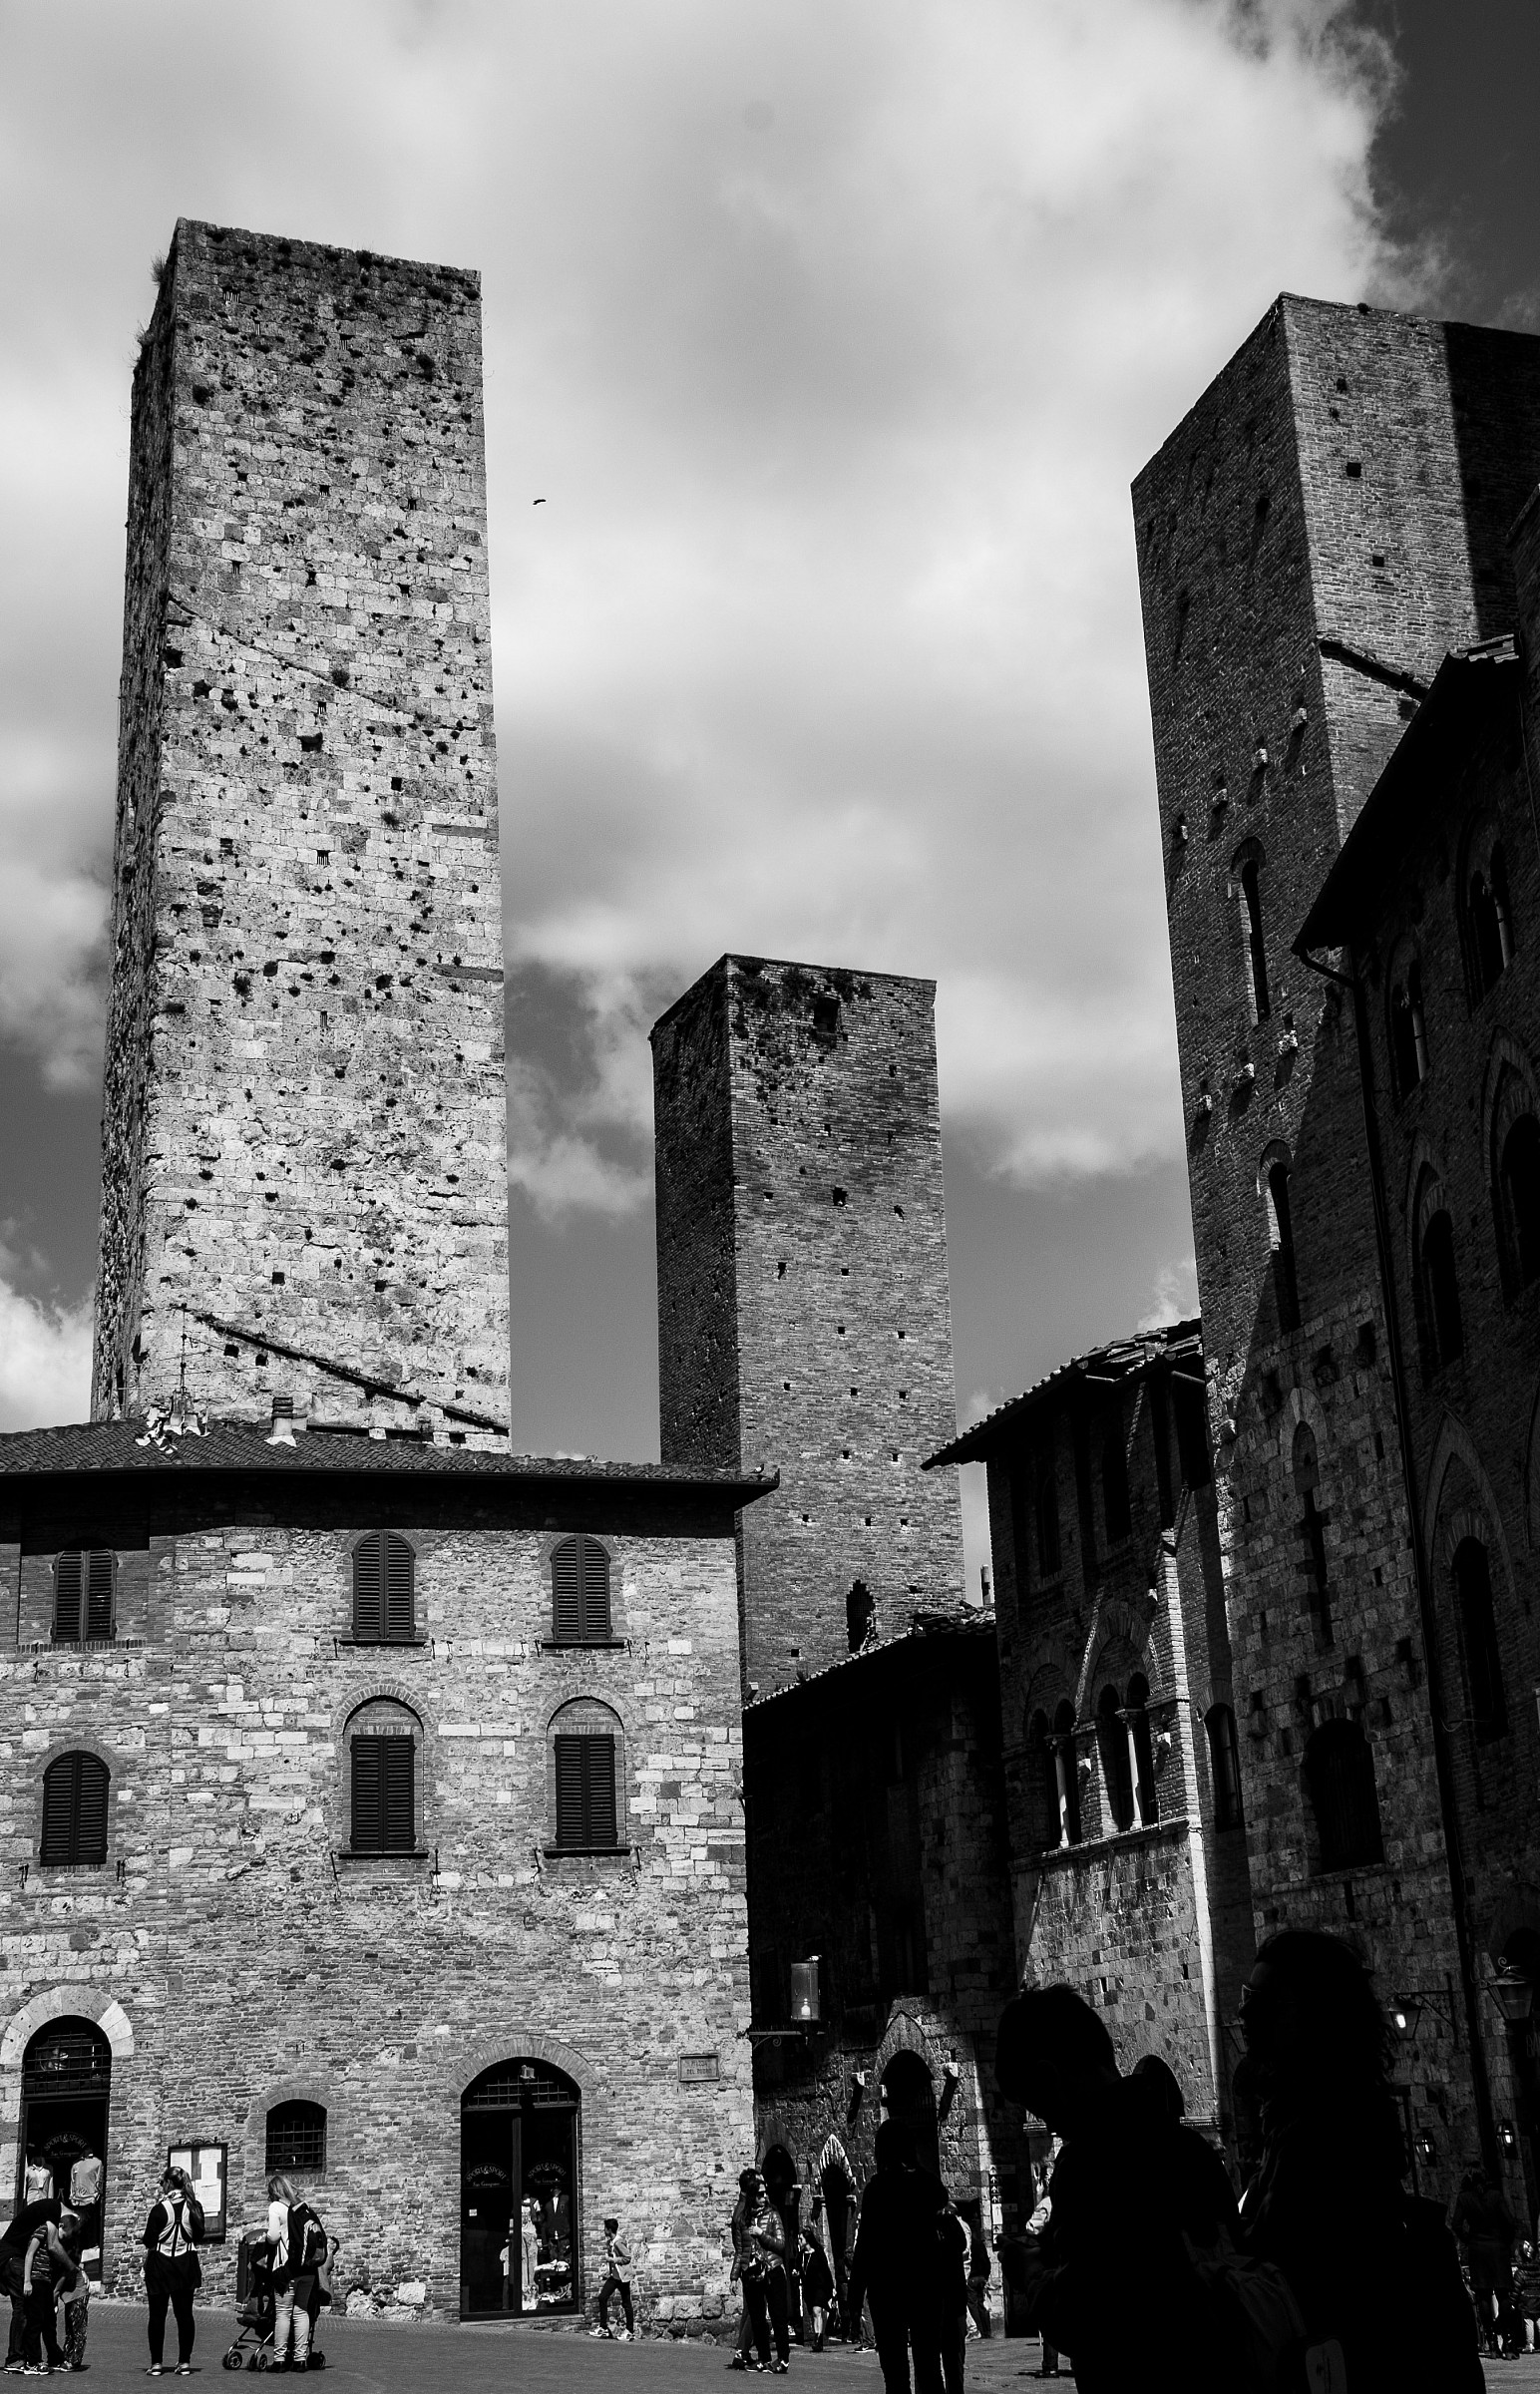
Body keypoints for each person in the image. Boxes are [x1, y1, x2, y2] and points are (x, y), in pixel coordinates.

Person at [1240, 1929, 1481, 2394]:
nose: (1245, 2013)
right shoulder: (1295, 2111)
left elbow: (1298, 2259)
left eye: (1265, 2002)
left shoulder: (1330, 2121)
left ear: (1316, 2015)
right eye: (1249, 1996)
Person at [993, 1983, 1229, 2394]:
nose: (1048, 2125)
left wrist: (1030, 2274)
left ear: (1051, 2079)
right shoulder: (1193, 2150)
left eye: (1039, 2106)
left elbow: (1087, 2315)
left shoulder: (1091, 2165)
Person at [846, 2119, 946, 2394]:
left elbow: (864, 2245)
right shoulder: (928, 2185)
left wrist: (854, 2296)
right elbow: (941, 2207)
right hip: (925, 2286)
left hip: (887, 2290)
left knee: (895, 2373)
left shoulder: (878, 2188)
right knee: (929, 2368)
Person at [0, 2202, 79, 2376]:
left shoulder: (50, 2217)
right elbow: (52, 2245)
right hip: (13, 2259)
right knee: (24, 2309)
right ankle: (17, 2359)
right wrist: (73, 2269)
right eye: (66, 2235)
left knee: (41, 2314)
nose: (64, 2240)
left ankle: (49, 2357)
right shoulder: (51, 2214)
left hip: (20, 2263)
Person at [141, 2165, 203, 2377]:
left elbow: (149, 2240)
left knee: (157, 2316)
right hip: (185, 2264)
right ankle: (184, 2362)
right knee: (185, 2315)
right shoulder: (194, 2206)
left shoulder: (160, 2209)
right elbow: (199, 2235)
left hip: (160, 2265)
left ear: (168, 2183)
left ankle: (156, 2364)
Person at [1451, 2167, 1519, 2356]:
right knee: (1503, 2295)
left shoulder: (1465, 2198)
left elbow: (1456, 2224)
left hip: (1478, 2249)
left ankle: (1492, 2343)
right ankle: (1509, 2341)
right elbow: (1509, 2222)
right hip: (1497, 2248)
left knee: (1483, 2296)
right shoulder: (1495, 2196)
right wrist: (1504, 2241)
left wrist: (1469, 2240)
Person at [263, 2173, 327, 2373]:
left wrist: (266, 2237)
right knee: (301, 2312)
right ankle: (300, 2359)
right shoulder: (302, 2208)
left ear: (273, 2192)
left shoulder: (276, 2207)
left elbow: (273, 2236)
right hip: (308, 2270)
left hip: (287, 2269)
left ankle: (280, 2359)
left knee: (283, 2313)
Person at [738, 2178, 791, 2374]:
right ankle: (763, 2358)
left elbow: (780, 2245)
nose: (764, 2197)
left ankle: (783, 2360)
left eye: (765, 2193)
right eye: (760, 2194)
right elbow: (742, 2248)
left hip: (772, 2271)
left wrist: (761, 2234)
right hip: (753, 2273)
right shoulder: (745, 2218)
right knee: (758, 2318)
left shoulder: (773, 2216)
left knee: (778, 2317)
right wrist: (737, 2272)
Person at [818, 2134, 858, 2339]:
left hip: (846, 2277)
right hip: (842, 2278)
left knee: (850, 2300)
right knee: (844, 2298)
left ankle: (853, 2331)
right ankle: (846, 2329)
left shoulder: (849, 2245)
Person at [936, 2194, 970, 2394]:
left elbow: (961, 2245)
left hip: (946, 2300)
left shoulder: (949, 2224)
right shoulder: (951, 2224)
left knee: (949, 2358)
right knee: (953, 2358)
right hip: (952, 2299)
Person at [591, 2215, 634, 2340]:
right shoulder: (610, 2242)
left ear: (609, 2230)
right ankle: (603, 2328)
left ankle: (630, 2330)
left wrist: (612, 2260)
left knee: (626, 2303)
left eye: (605, 2229)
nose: (604, 2231)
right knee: (602, 2297)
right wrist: (608, 2272)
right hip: (614, 2277)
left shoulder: (618, 2242)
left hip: (622, 2278)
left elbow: (628, 2257)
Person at [55, 2222, 88, 2375]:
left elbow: (57, 2288)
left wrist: (54, 2299)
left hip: (78, 2292)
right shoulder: (65, 2252)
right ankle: (67, 2357)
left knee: (77, 2327)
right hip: (70, 2293)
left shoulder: (66, 2264)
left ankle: (74, 2361)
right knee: (70, 2327)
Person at [797, 2227, 834, 2351]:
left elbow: (826, 2270)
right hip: (808, 2288)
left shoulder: (818, 2252)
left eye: (801, 2239)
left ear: (807, 2239)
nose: (799, 2241)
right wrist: (796, 2272)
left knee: (817, 2311)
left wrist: (832, 2287)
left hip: (819, 2286)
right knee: (813, 2313)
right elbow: (798, 2268)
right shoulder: (801, 2255)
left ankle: (818, 2340)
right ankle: (817, 2337)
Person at [1514, 2236, 1540, 2352]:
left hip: (1525, 2299)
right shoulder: (1538, 2269)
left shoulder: (1520, 2272)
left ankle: (1530, 2344)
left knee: (1528, 2322)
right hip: (1538, 2297)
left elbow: (1516, 2288)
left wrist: (1512, 2302)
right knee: (1539, 2319)